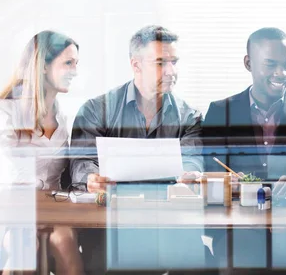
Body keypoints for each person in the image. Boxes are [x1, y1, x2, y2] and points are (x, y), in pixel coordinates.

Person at [191, 27, 286, 268]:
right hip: (239, 225)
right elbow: (209, 176)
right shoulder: (219, 112)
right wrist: (229, 184)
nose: (282, 73)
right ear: (248, 63)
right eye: (271, 64)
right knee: (242, 259)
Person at [69, 25, 203, 273]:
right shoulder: (96, 110)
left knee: (201, 261)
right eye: (161, 63)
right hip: (111, 226)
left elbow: (192, 160)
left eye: (175, 62)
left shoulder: (190, 116)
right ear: (136, 65)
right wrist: (91, 178)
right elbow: (80, 163)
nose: (172, 71)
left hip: (169, 224)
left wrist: (191, 173)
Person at [0, 31, 83, 275]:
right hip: (13, 211)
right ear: (43, 67)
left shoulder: (63, 118)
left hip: (55, 209)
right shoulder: (7, 112)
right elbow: (11, 171)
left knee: (64, 241)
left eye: (76, 63)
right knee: (24, 247)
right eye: (68, 63)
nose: (75, 71)